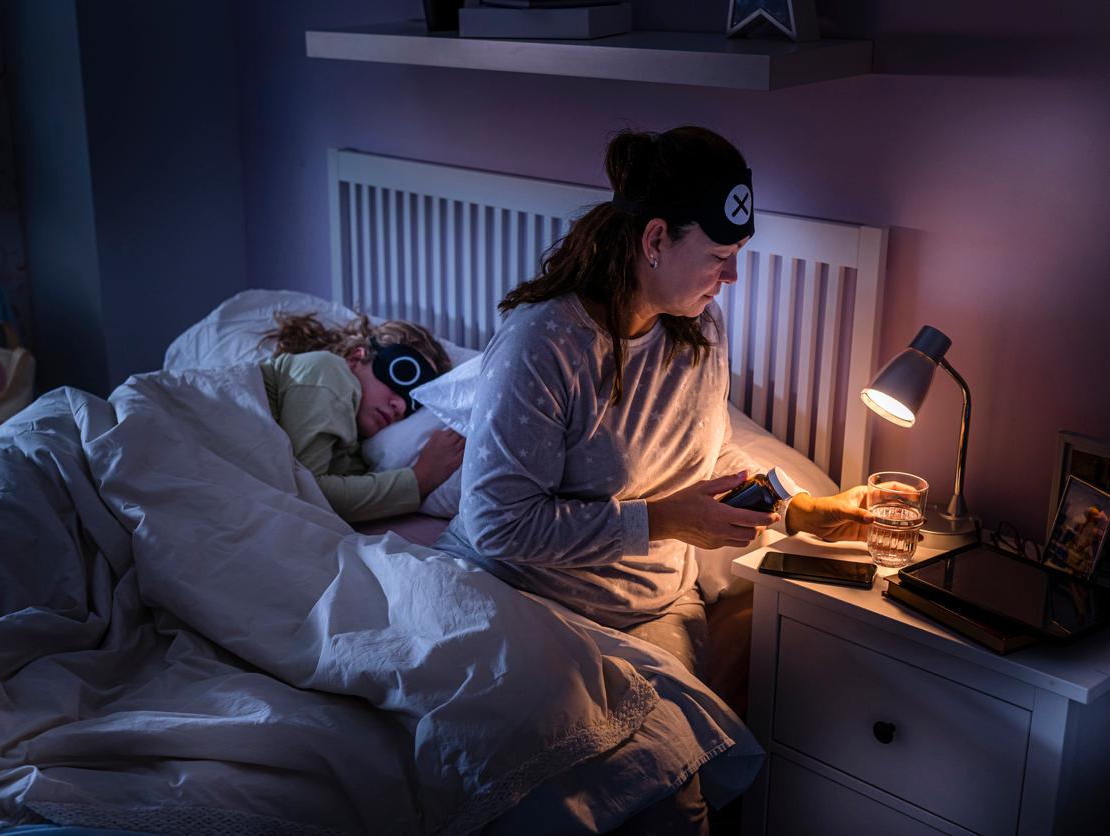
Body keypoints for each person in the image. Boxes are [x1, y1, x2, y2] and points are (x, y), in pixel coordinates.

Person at [432, 126, 875, 832]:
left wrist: (804, 509)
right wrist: (658, 521)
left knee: (666, 801)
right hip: (516, 596)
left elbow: (698, 465)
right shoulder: (545, 343)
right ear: (655, 239)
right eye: (720, 257)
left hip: (648, 612)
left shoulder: (698, 331)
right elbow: (498, 524)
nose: (730, 278)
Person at [259, 312, 465, 523]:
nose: (401, 405)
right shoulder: (327, 370)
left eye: (414, 404)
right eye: (402, 373)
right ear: (356, 357)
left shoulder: (359, 452)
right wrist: (421, 477)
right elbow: (306, 491)